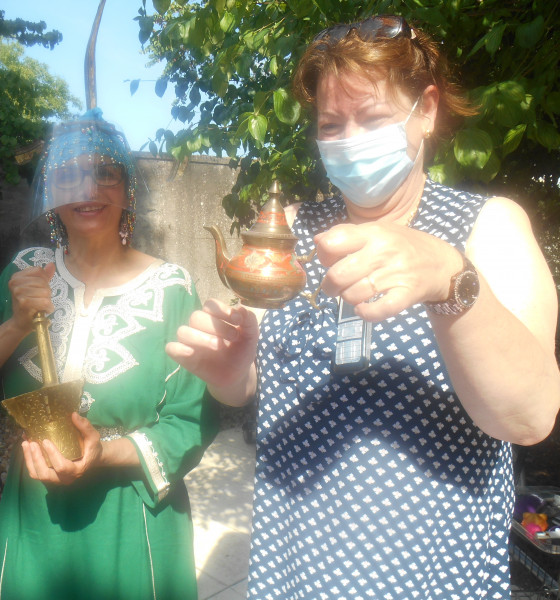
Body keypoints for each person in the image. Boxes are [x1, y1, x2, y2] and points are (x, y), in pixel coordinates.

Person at [167, 15, 560, 600]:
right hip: (293, 567)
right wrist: (236, 378)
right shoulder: (293, 234)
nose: (350, 141)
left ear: (425, 111)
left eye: (372, 119)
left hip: (432, 575)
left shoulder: (485, 227)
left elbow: (528, 418)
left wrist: (450, 281)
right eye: (331, 125)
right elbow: (260, 384)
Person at [0, 108, 218, 600]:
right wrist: (17, 324)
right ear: (51, 195)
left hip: (131, 513)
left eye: (105, 174)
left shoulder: (172, 288)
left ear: (129, 192)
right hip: (34, 507)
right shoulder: (25, 275)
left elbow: (191, 419)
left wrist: (101, 453)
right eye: (69, 176)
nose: (88, 190)